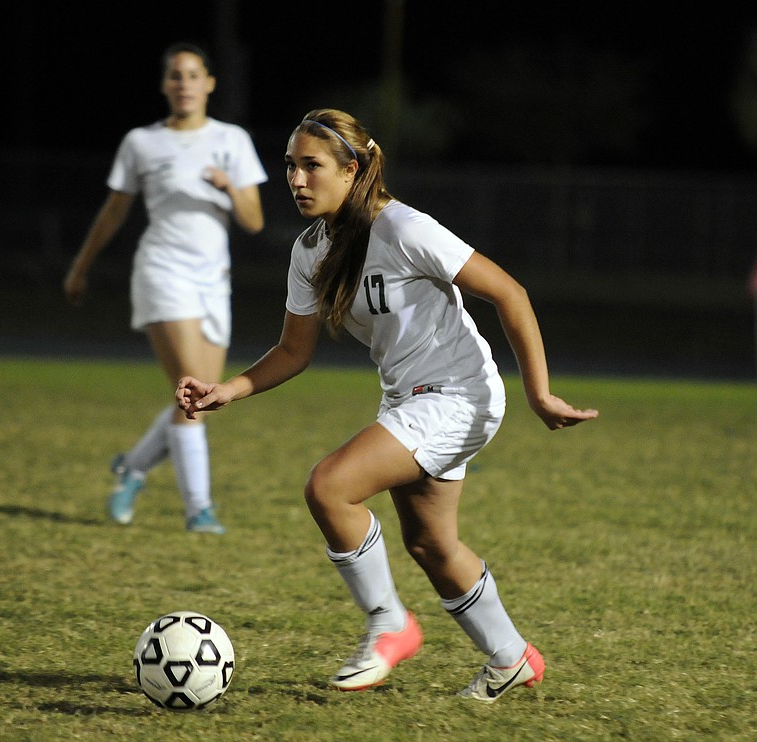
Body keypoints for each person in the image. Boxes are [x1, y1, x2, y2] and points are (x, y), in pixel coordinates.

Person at [176, 108, 598, 699]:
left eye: (312, 166)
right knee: (430, 544)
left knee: (330, 486)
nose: (296, 180)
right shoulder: (310, 250)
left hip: (459, 394)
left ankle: (390, 624)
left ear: (352, 169)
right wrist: (229, 387)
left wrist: (540, 392)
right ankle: (511, 657)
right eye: (290, 167)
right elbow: (293, 351)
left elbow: (510, 292)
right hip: (410, 398)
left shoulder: (402, 228)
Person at [63, 41, 267, 534]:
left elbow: (254, 221)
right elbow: (114, 211)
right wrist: (81, 266)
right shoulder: (141, 142)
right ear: (165, 85)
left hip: (213, 281)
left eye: (194, 74)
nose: (184, 84)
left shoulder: (232, 139)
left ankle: (132, 468)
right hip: (162, 271)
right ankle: (200, 509)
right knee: (194, 392)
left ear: (209, 83)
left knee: (203, 396)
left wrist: (229, 187)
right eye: (175, 75)